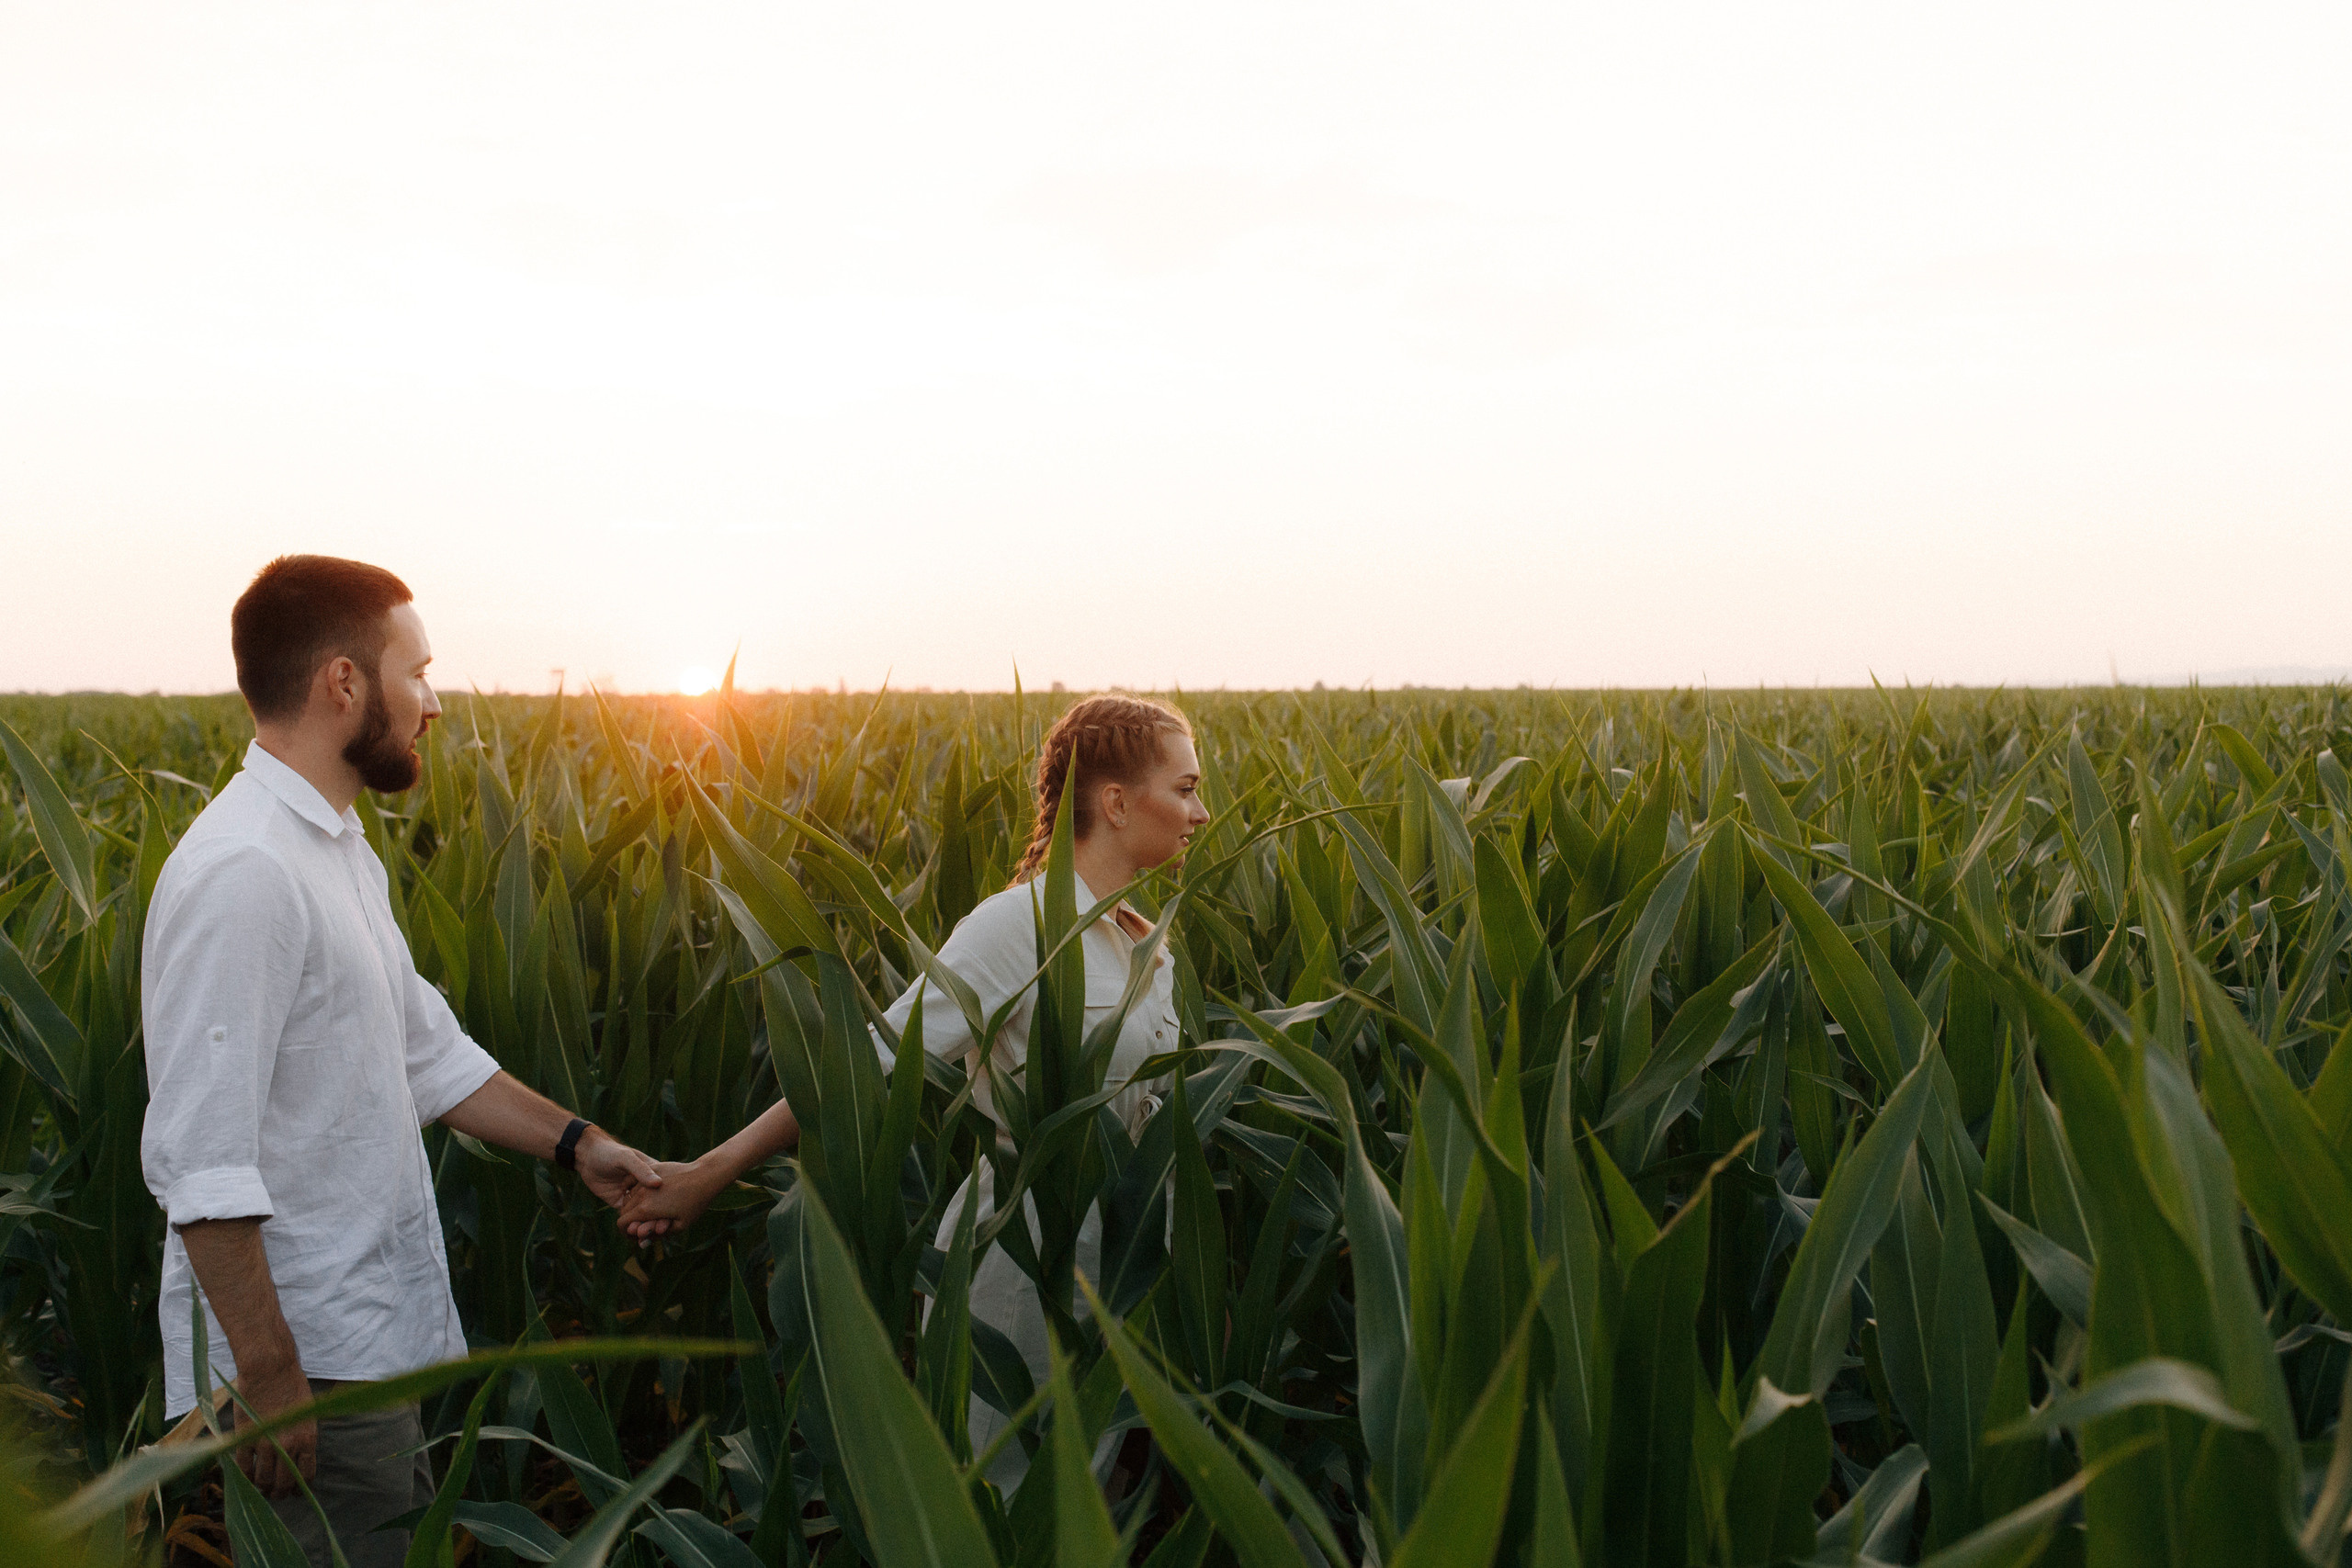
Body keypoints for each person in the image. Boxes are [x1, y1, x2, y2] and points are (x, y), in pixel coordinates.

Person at [141, 556, 663, 1568]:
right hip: (313, 1369)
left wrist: (578, 1144)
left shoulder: (333, 849)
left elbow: (425, 1052)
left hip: (366, 1348)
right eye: (416, 671)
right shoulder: (245, 872)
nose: (433, 702)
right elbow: (200, 1158)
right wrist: (271, 1374)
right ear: (343, 682)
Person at [616, 694, 1207, 1487]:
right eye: (1186, 788)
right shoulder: (1016, 927)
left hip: (1123, 1260)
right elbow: (870, 1066)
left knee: (1083, 1503)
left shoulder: (1145, 940)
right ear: (1114, 801)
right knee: (1004, 1493)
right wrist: (708, 1172)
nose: (1200, 812)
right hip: (1023, 1263)